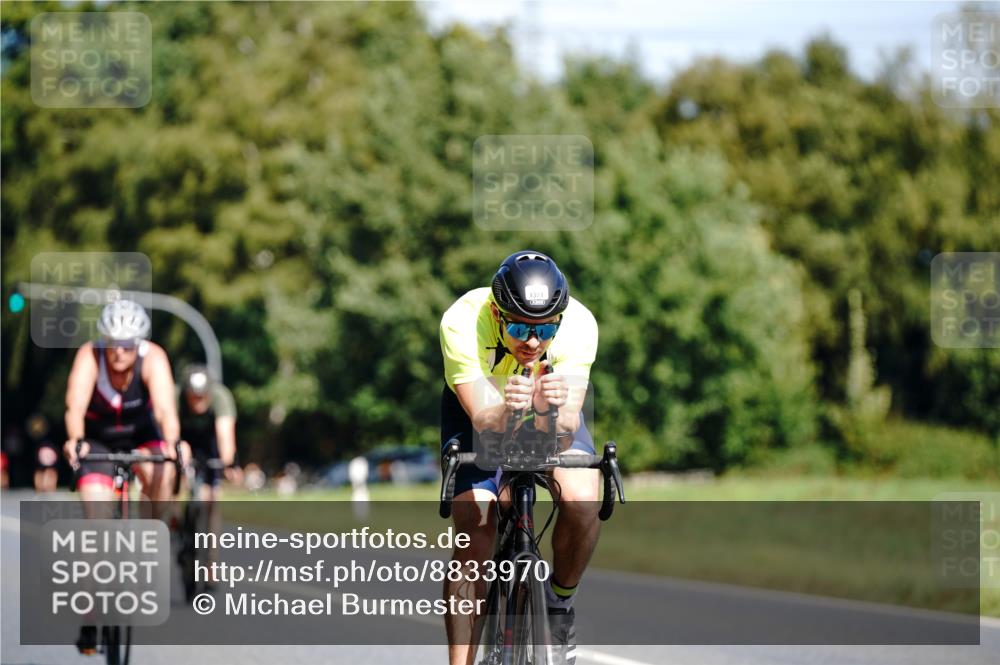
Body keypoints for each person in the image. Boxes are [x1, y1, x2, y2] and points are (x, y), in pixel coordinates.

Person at [439, 251, 600, 665]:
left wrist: (547, 412)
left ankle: (560, 606)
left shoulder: (580, 324)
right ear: (496, 312)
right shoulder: (462, 320)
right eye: (518, 327)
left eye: (546, 329)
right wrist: (507, 410)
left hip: (549, 409)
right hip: (482, 408)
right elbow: (482, 418)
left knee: (582, 501)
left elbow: (565, 429)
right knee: (474, 526)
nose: (533, 342)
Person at [62, 299, 181, 655]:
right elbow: (75, 405)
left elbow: (164, 407)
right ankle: (89, 619)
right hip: (98, 441)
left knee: (165, 469)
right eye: (113, 343)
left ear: (139, 343)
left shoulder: (154, 358)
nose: (119, 353)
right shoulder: (89, 356)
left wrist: (173, 444)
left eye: (127, 346)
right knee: (95, 528)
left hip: (141, 436)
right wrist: (75, 440)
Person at [177, 364, 237, 578]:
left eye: (202, 397)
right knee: (176, 487)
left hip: (210, 444)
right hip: (184, 442)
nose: (197, 402)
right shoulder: (177, 398)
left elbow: (225, 433)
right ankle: (178, 523)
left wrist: (228, 463)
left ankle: (210, 563)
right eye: (193, 397)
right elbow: (170, 429)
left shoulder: (220, 397)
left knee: (212, 499)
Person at [28, 413, 59, 493]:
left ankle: (42, 487)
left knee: (43, 470)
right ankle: (48, 487)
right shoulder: (50, 429)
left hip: (44, 450)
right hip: (48, 450)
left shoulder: (37, 432)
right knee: (47, 470)